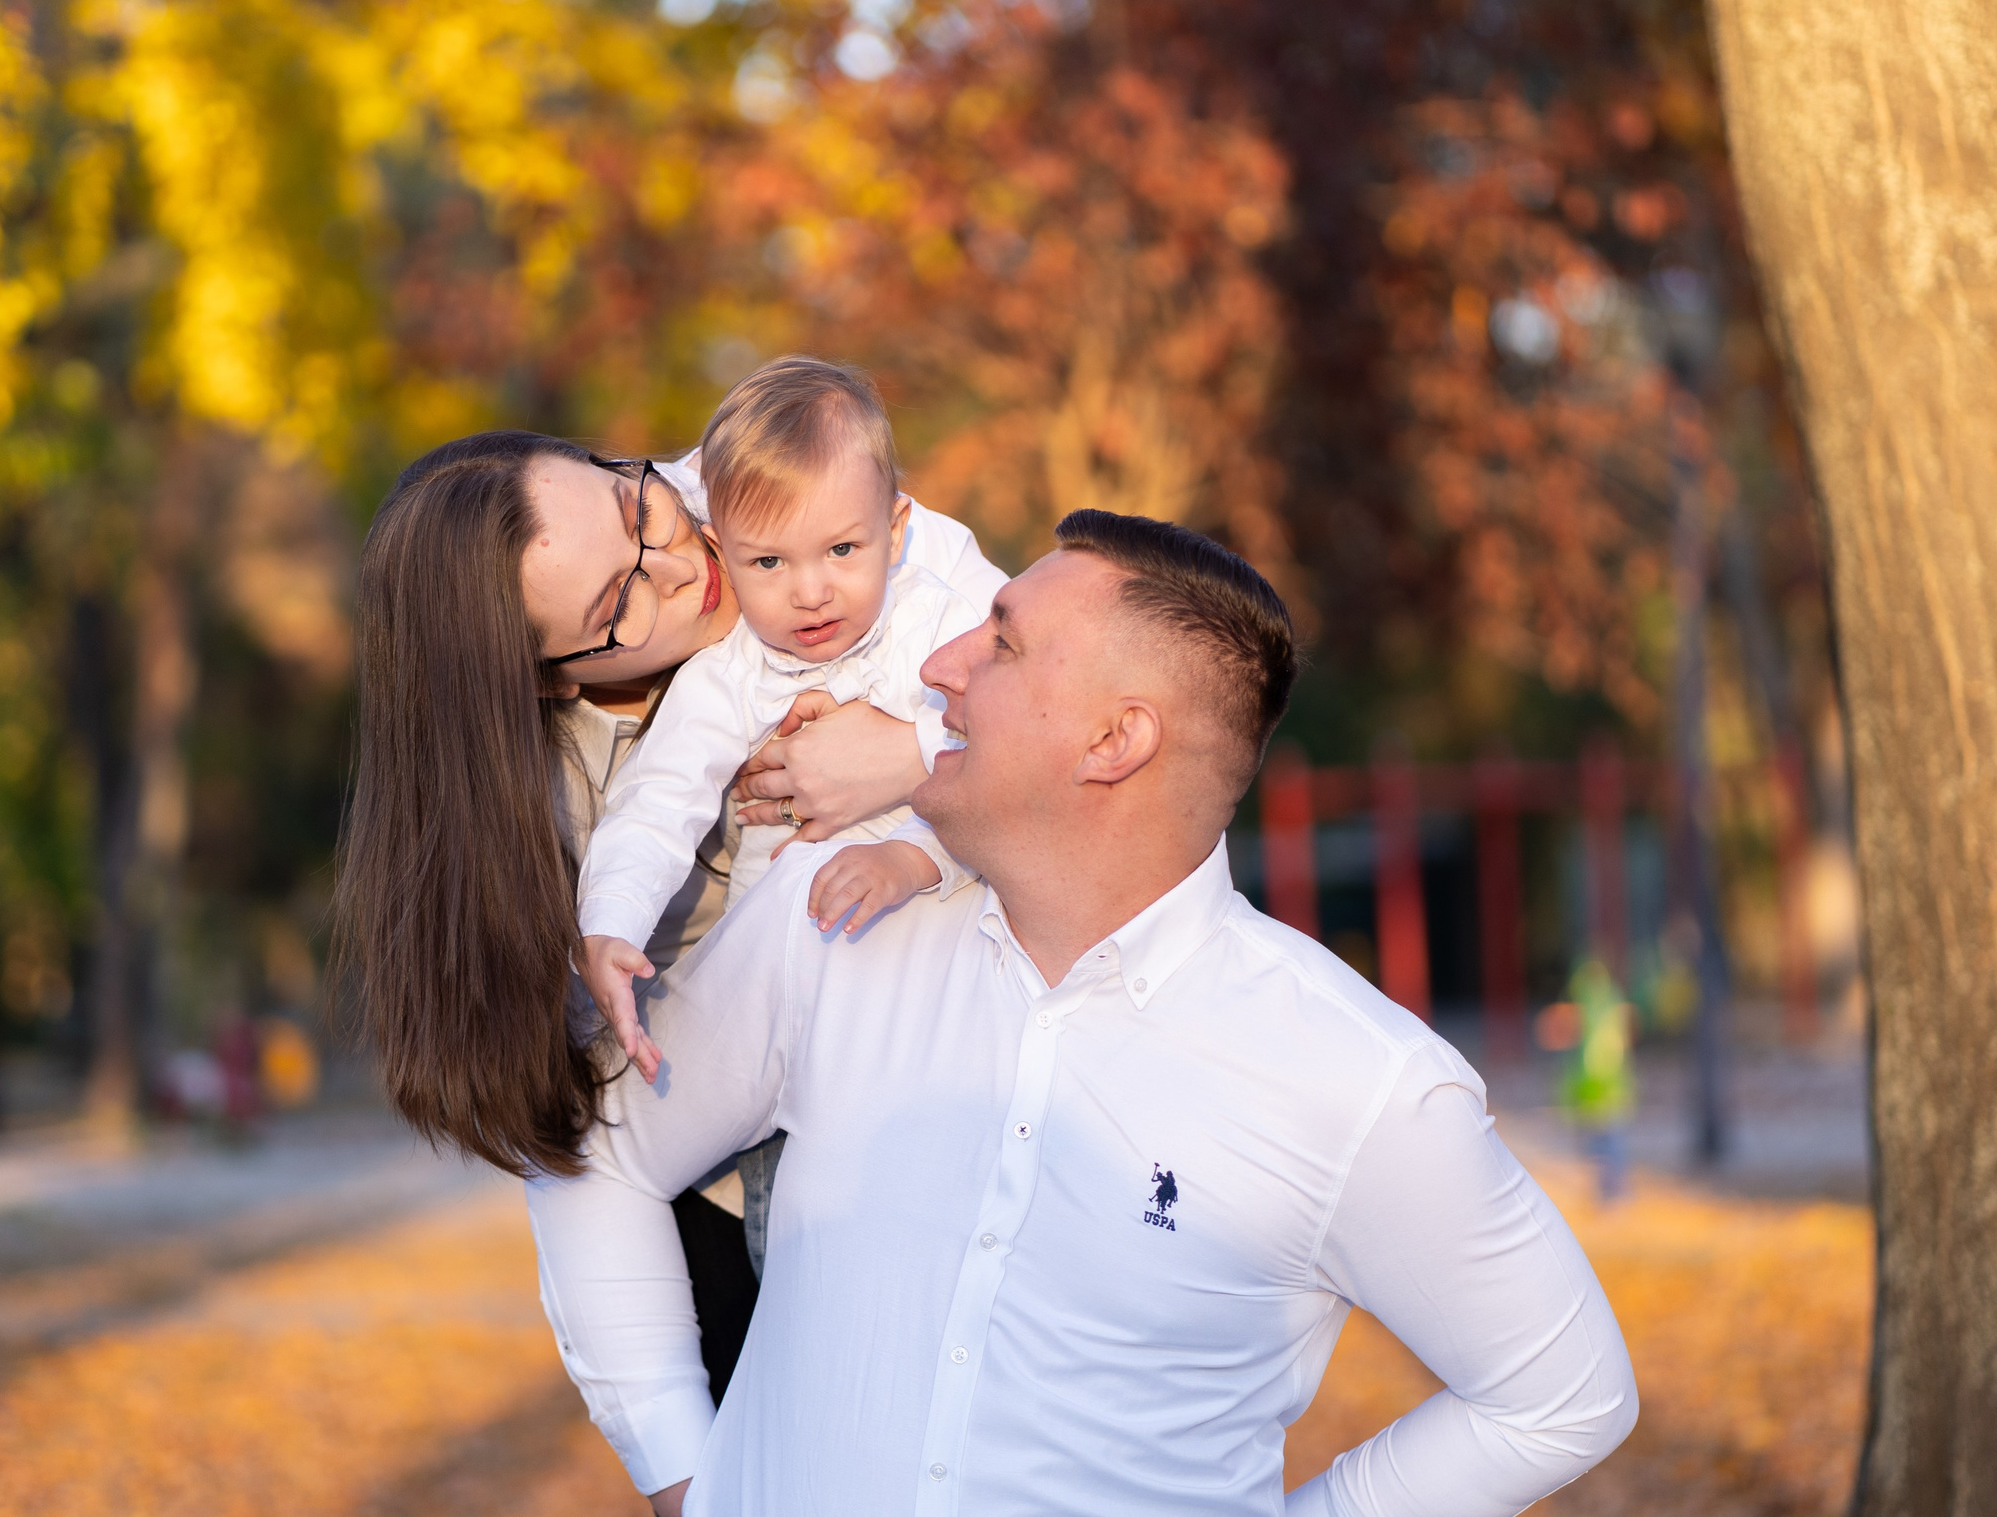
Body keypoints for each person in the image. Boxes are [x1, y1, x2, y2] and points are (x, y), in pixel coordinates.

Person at [526, 511, 1639, 1517]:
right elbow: (594, 1156)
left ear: (1116, 741)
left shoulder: (1359, 1081)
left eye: (999, 643)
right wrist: (684, 1476)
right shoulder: (829, 927)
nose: (938, 663)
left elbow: (1561, 1393)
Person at [331, 403, 1003, 1400]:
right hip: (739, 1169)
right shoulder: (553, 812)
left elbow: (1005, 652)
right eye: (619, 601)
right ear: (550, 683)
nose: (683, 561)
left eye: (632, 501)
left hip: (961, 1065)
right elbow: (597, 1138)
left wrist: (906, 755)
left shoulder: (758, 513)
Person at [576, 359, 999, 1083]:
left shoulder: (935, 621)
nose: (811, 591)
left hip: (939, 941)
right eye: (768, 561)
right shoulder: (730, 674)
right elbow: (658, 798)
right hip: (781, 993)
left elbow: (1012, 763)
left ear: (894, 530)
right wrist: (610, 921)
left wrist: (910, 857)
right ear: (723, 552)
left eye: (842, 549)